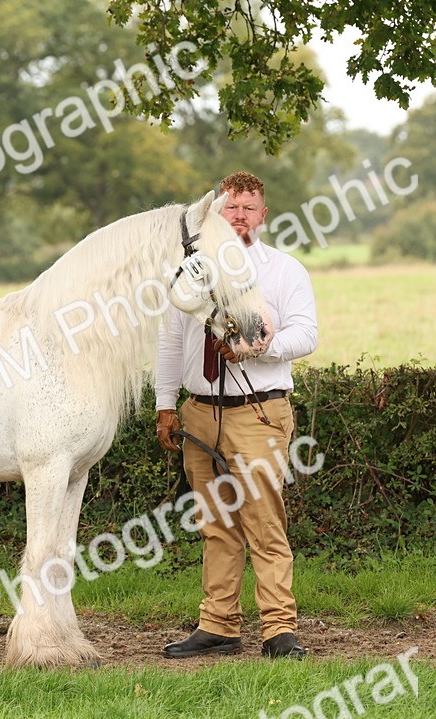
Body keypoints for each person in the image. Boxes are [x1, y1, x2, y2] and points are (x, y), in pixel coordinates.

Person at [155, 171, 318, 660]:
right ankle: (219, 625)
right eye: (231, 208)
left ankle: (278, 631)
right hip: (200, 413)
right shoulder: (187, 275)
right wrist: (166, 405)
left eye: (249, 207)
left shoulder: (285, 271)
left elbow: (307, 335)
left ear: (263, 215)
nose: (240, 215)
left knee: (264, 523)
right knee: (214, 524)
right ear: (215, 215)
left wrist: (257, 351)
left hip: (258, 412)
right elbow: (168, 342)